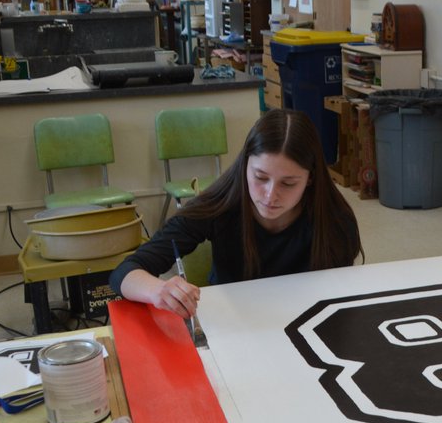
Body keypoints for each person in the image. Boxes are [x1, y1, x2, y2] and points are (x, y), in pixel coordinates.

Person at [110, 109, 363, 319]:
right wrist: (159, 290)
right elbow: (124, 273)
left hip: (309, 324)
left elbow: (340, 297)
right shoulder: (219, 205)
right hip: (235, 327)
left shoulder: (335, 219)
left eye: (288, 184)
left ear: (310, 179)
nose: (269, 195)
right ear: (245, 166)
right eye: (260, 177)